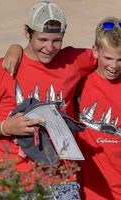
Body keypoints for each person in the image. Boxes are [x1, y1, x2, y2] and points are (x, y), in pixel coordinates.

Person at [0, 1, 96, 199]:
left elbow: (110, 53)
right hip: (12, 181)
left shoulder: (73, 61)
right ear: (27, 33)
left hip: (62, 179)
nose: (49, 47)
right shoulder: (2, 69)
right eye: (42, 39)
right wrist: (6, 127)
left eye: (57, 40)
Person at [75, 16, 121, 200]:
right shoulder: (79, 81)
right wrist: (15, 49)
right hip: (89, 190)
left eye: (120, 59)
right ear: (95, 51)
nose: (114, 66)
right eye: (108, 58)